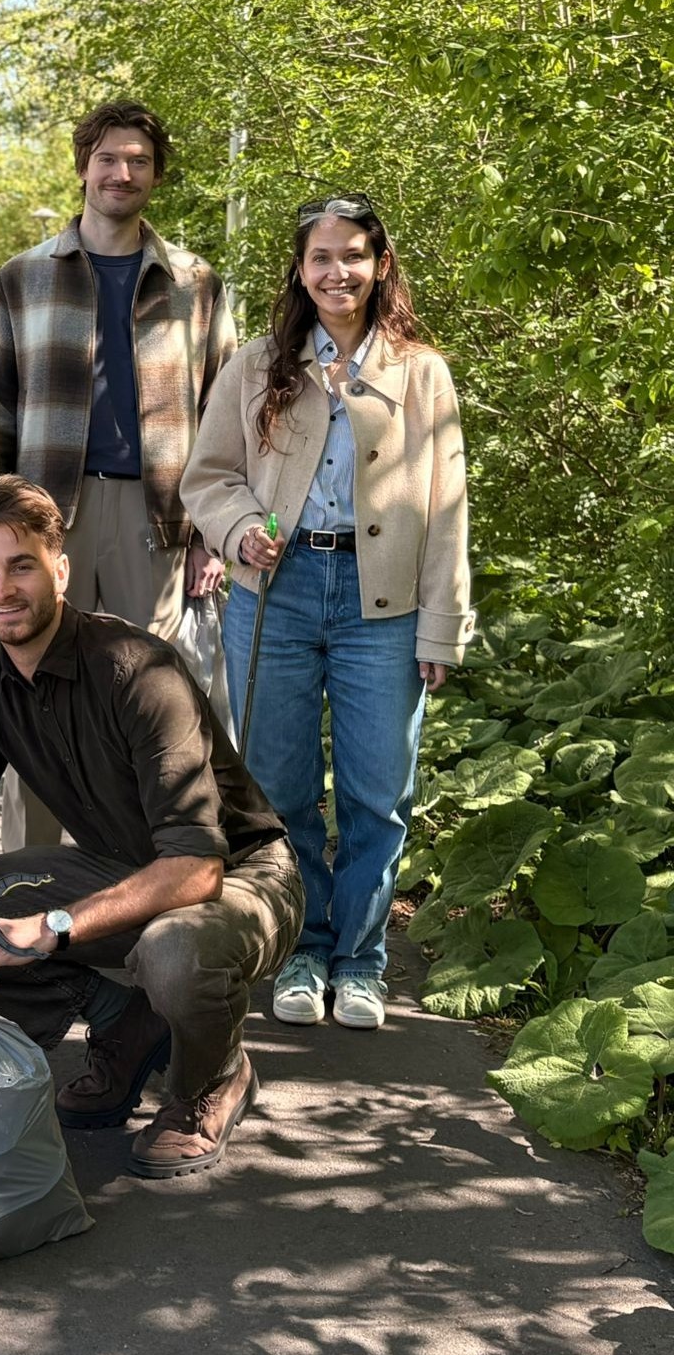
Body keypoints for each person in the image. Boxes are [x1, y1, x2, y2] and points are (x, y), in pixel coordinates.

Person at [0, 476, 302, 1179]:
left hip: (242, 879)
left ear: (59, 568)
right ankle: (125, 1022)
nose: (2, 589)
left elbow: (198, 867)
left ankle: (213, 1080)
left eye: (21, 565)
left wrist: (48, 927)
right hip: (129, 870)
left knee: (173, 953)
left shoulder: (138, 671)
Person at [180, 194, 474, 1031]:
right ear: (300, 271)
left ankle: (362, 960)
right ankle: (301, 947)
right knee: (280, 787)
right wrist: (240, 532)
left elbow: (448, 508)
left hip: (383, 604)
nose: (337, 271)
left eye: (353, 255)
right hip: (278, 595)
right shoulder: (259, 364)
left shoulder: (421, 372)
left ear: (381, 266)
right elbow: (209, 477)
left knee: (380, 792)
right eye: (320, 257)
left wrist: (441, 626)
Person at [0, 99, 237, 848]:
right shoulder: (23, 278)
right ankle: (24, 878)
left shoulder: (194, 284)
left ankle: (135, 885)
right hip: (41, 517)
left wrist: (209, 534)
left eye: (139, 162)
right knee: (34, 692)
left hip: (154, 522)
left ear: (157, 176)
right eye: (109, 159)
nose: (123, 173)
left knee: (143, 702)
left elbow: (224, 417)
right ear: (84, 167)